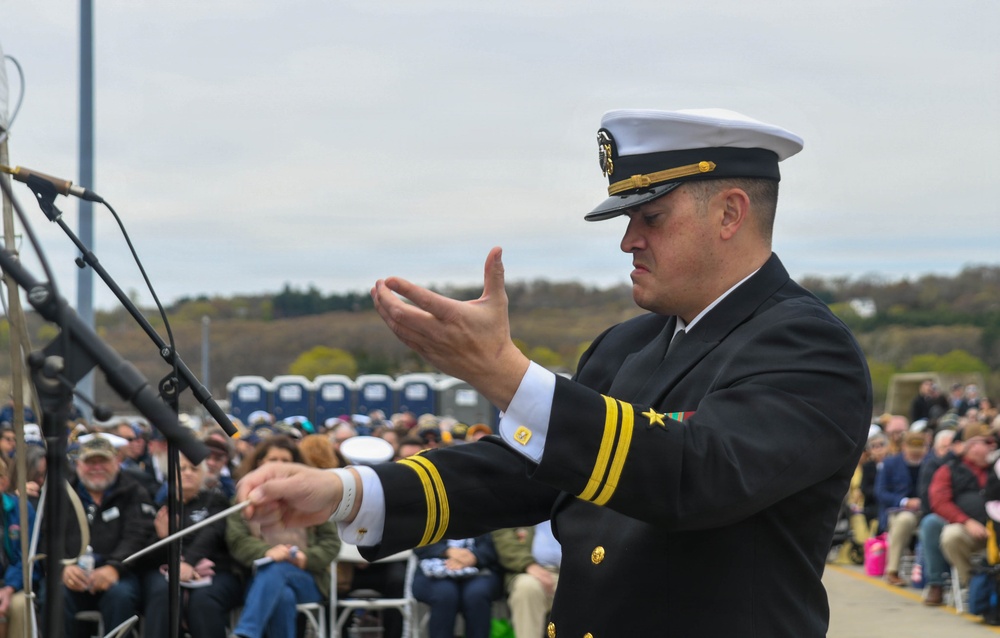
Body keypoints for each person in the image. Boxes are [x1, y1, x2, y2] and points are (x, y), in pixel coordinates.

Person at [237, 108, 873, 637]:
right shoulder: (630, 345)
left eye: (650, 217)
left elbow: (695, 477)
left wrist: (506, 374)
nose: (629, 241)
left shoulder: (808, 347)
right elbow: (529, 471)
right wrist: (347, 491)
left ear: (730, 213)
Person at [227, 436, 340, 638]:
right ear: (261, 463)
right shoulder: (244, 499)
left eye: (285, 461)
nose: (279, 466)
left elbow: (331, 543)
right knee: (283, 595)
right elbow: (236, 540)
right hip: (259, 578)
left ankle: (245, 633)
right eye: (273, 460)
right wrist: (267, 552)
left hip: (308, 578)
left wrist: (305, 558)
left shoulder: (311, 498)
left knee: (277, 570)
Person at [57, 437, 154, 638]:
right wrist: (63, 567)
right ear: (78, 464)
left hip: (119, 574)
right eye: (90, 462)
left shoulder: (134, 491)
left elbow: (138, 536)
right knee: (54, 597)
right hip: (71, 576)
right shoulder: (61, 494)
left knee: (121, 597)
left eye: (103, 461)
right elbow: (48, 536)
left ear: (117, 462)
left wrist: (114, 567)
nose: (97, 467)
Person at [141, 455, 243, 638]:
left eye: (194, 469)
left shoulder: (216, 501)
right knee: (165, 595)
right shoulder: (160, 507)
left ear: (203, 474)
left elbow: (212, 534)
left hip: (215, 570)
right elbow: (147, 553)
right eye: (182, 469)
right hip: (166, 570)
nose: (187, 473)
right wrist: (163, 538)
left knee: (203, 601)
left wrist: (188, 562)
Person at [923, 422, 995, 605]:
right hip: (970, 530)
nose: (992, 446)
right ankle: (976, 586)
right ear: (971, 446)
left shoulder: (996, 468)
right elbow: (939, 502)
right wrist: (966, 522)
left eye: (992, 442)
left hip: (996, 529)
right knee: (948, 533)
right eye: (986, 442)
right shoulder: (948, 469)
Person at [413, 534, 501, 638]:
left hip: (481, 570)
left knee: (477, 594)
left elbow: (496, 543)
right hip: (433, 570)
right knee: (445, 594)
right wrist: (448, 551)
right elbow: (417, 542)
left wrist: (474, 557)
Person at [874, 431, 927, 586]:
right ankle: (892, 571)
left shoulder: (930, 463)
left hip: (925, 510)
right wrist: (904, 502)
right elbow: (880, 492)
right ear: (904, 447)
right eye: (912, 451)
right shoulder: (890, 463)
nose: (916, 455)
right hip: (897, 512)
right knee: (905, 519)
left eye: (920, 451)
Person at [492, 521, 560, 638]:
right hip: (530, 570)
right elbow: (502, 535)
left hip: (576, 569)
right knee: (526, 588)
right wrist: (528, 564)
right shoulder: (519, 504)